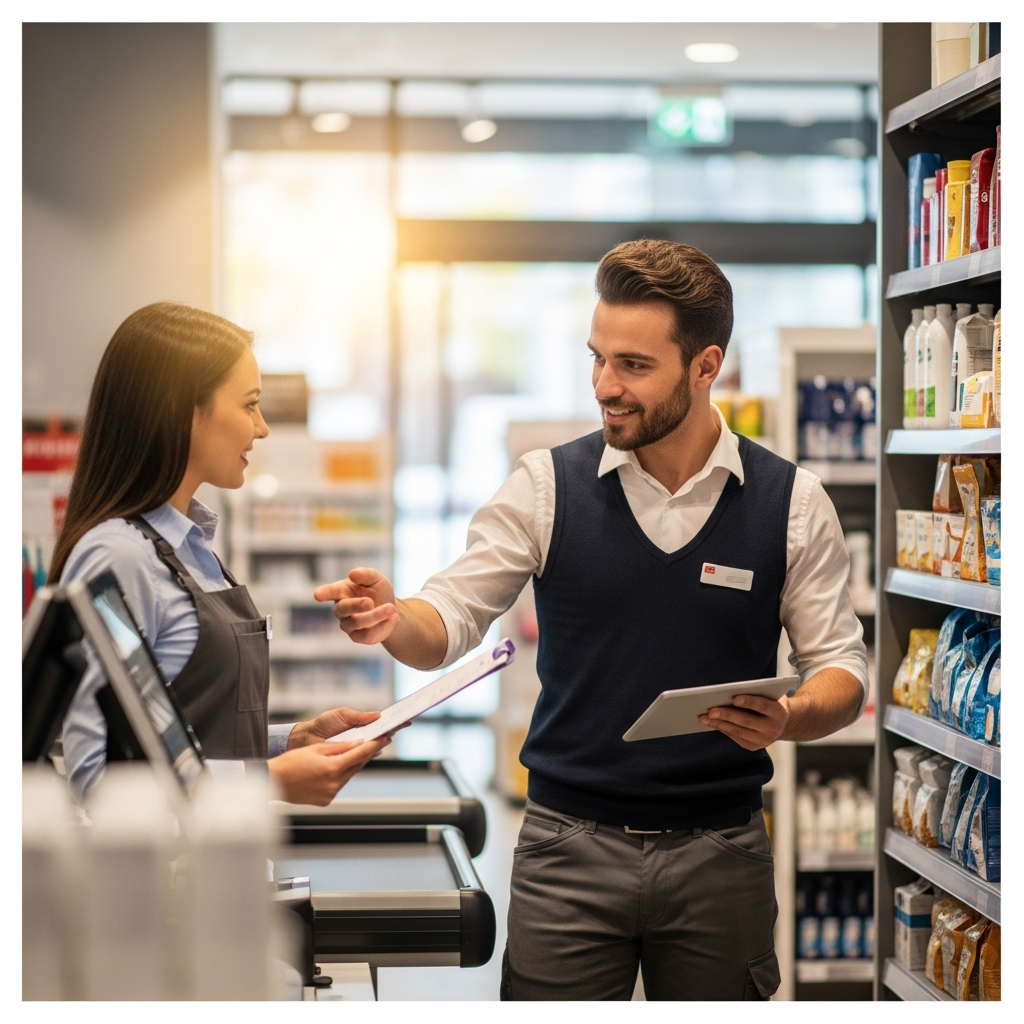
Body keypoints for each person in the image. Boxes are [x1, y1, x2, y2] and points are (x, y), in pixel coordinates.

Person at [314, 240, 870, 1000]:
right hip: (566, 851)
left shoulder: (791, 504)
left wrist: (792, 716)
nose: (606, 386)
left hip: (722, 853)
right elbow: (448, 618)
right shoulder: (545, 487)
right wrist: (392, 618)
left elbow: (841, 667)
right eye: (598, 358)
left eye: (633, 365)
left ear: (705, 366)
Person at [55, 302, 389, 807]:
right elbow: (96, 776)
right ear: (183, 410)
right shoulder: (118, 557)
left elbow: (179, 736)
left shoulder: (190, 546)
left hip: (224, 851)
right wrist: (268, 780)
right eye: (249, 404)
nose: (262, 427)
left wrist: (291, 741)